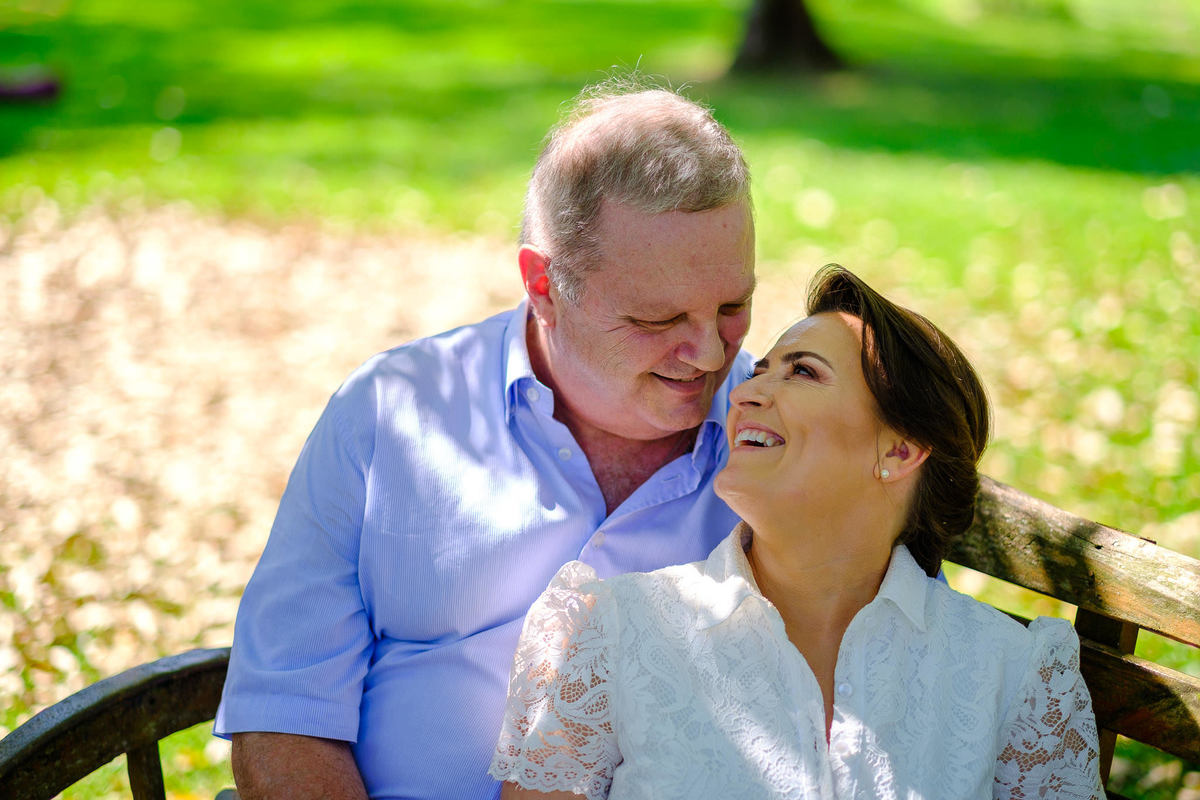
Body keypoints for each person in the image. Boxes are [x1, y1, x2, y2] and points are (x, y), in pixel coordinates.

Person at [214, 78, 758, 800]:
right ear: (543, 286)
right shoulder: (390, 411)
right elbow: (284, 713)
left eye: (733, 306)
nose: (710, 354)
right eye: (657, 321)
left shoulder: (793, 442)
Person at [491, 265, 1105, 800]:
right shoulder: (605, 634)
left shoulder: (1017, 676)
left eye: (803, 373)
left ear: (899, 451)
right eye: (760, 372)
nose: (748, 393)